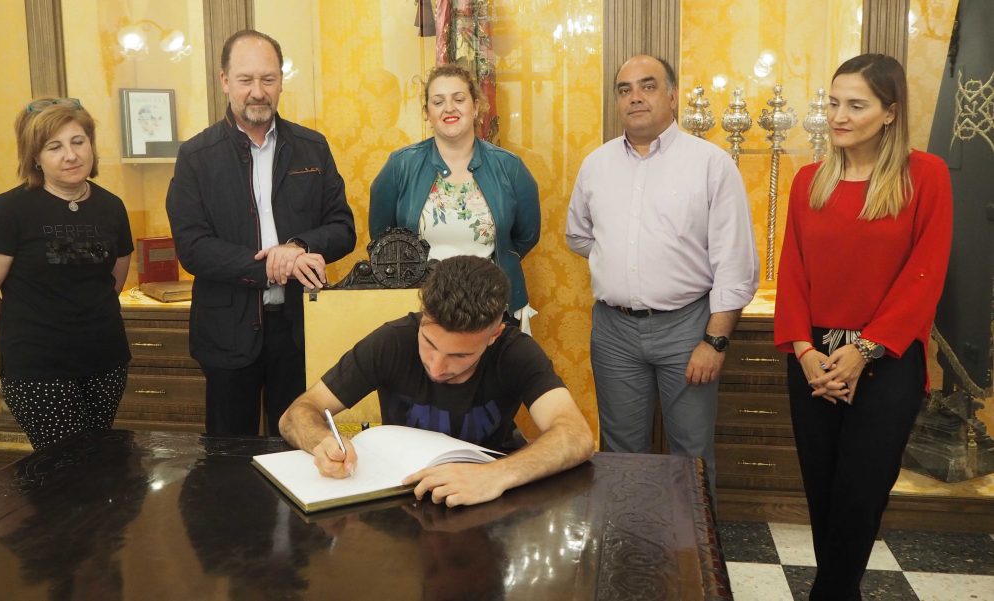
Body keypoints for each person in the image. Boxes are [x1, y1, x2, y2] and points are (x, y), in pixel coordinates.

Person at [774, 53, 952, 600]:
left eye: (856, 105)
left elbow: (924, 275)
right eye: (833, 103)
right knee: (824, 496)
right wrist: (806, 353)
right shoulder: (809, 180)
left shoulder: (925, 176)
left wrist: (863, 351)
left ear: (890, 112)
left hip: (887, 359)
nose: (838, 116)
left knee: (859, 498)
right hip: (814, 357)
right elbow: (793, 273)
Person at [565, 55, 758, 492]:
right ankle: (627, 549)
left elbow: (735, 263)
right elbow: (578, 235)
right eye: (624, 89)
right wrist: (618, 262)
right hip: (614, 332)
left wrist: (715, 340)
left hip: (687, 329)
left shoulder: (711, 164)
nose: (635, 97)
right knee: (620, 451)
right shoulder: (596, 165)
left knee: (690, 453)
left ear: (672, 96)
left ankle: (694, 558)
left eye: (647, 86)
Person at [279, 256, 594, 507]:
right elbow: (298, 412)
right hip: (400, 500)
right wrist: (321, 443)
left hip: (488, 500)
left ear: (493, 335)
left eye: (460, 356)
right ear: (423, 314)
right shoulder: (392, 341)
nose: (437, 366)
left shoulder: (515, 352)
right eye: (429, 343)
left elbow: (576, 435)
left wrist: (495, 476)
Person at [166, 30, 356, 437]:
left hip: (300, 329)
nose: (257, 92)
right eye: (245, 79)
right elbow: (192, 247)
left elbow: (343, 228)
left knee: (300, 444)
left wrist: (299, 246)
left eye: (268, 79)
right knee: (227, 457)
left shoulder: (313, 148)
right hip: (227, 331)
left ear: (281, 81)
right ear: (224, 81)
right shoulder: (196, 157)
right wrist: (272, 264)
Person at [0, 98, 133, 449]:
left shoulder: (111, 207)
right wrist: (22, 335)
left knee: (100, 460)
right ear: (34, 157)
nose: (70, 155)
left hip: (105, 360)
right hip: (39, 368)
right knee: (66, 470)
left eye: (78, 142)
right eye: (54, 147)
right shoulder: (7, 212)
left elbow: (113, 281)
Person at [369, 63, 540, 329]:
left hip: (493, 306)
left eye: (459, 99)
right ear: (427, 112)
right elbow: (383, 238)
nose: (449, 108)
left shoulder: (510, 168)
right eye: (438, 101)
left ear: (475, 106)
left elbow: (526, 236)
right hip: (420, 308)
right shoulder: (400, 165)